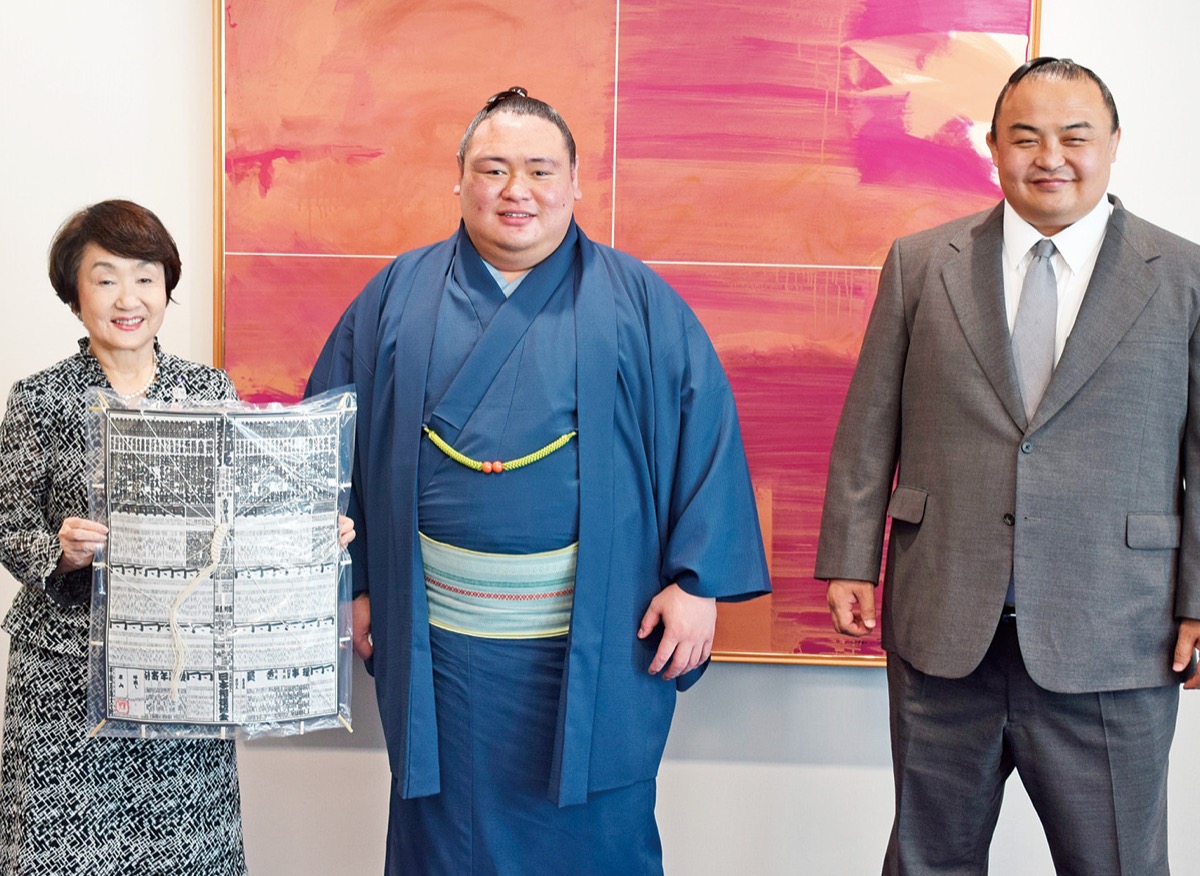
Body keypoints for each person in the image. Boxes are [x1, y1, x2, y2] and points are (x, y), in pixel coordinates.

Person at [306, 87, 770, 874]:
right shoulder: (395, 297)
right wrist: (352, 583)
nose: (515, 189)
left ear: (575, 182)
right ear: (459, 178)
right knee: (446, 837)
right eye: (493, 169)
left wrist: (698, 585)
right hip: (438, 640)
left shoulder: (638, 301)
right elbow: (325, 444)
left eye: (539, 170)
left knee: (596, 833)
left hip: (597, 632)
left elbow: (707, 438)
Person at [815, 57, 1200, 874]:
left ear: (1115, 143)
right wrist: (849, 557)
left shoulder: (1185, 277)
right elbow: (869, 424)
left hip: (1117, 633)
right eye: (1025, 137)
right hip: (944, 627)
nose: (1049, 157)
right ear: (993, 147)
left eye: (1074, 137)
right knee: (927, 860)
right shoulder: (922, 263)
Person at [0, 200, 355, 874]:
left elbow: (243, 514)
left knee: (183, 850)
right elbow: (8, 522)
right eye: (106, 278)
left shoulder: (207, 389)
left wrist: (308, 536)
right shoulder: (39, 398)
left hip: (183, 666)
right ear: (74, 293)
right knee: (64, 853)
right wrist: (59, 551)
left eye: (145, 277)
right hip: (65, 677)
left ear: (166, 287)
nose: (128, 298)